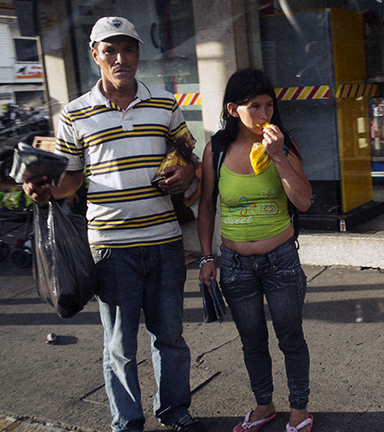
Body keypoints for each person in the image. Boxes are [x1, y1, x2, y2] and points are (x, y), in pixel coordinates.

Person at [20, 16, 204, 432]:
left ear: (138, 53)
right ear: (95, 55)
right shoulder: (74, 113)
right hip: (110, 247)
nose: (121, 58)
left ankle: (175, 411)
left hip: (165, 241)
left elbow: (187, 155)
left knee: (170, 337)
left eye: (128, 49)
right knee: (119, 346)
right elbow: (70, 178)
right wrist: (45, 189)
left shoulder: (165, 103)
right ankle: (127, 422)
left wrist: (187, 173)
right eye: (110, 50)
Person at [197, 68, 314, 432]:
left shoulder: (284, 145)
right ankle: (264, 404)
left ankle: (299, 410)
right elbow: (206, 206)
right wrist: (206, 257)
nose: (265, 115)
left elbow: (304, 201)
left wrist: (278, 156)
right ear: (233, 109)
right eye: (255, 107)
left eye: (268, 106)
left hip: (280, 260)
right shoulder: (216, 149)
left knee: (289, 334)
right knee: (252, 340)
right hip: (234, 264)